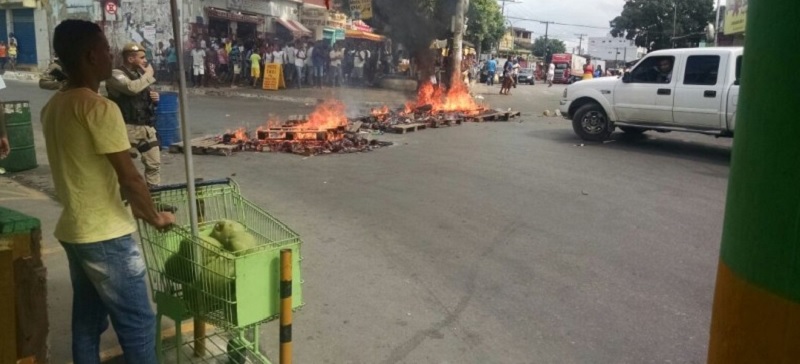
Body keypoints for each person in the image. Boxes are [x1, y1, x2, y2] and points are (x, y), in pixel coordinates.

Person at [41, 19, 175, 363]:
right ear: (90, 56)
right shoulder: (98, 107)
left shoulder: (53, 106)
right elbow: (130, 177)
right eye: (105, 49)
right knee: (139, 324)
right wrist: (155, 217)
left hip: (75, 231)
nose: (110, 55)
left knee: (87, 321)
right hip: (105, 235)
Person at [105, 42, 162, 188]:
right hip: (126, 129)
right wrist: (149, 75)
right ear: (130, 59)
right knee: (126, 170)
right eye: (142, 58)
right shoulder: (115, 75)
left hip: (146, 127)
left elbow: (141, 96)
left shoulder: (139, 75)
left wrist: (153, 97)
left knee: (154, 164)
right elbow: (131, 89)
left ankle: (155, 200)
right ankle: (126, 202)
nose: (145, 61)